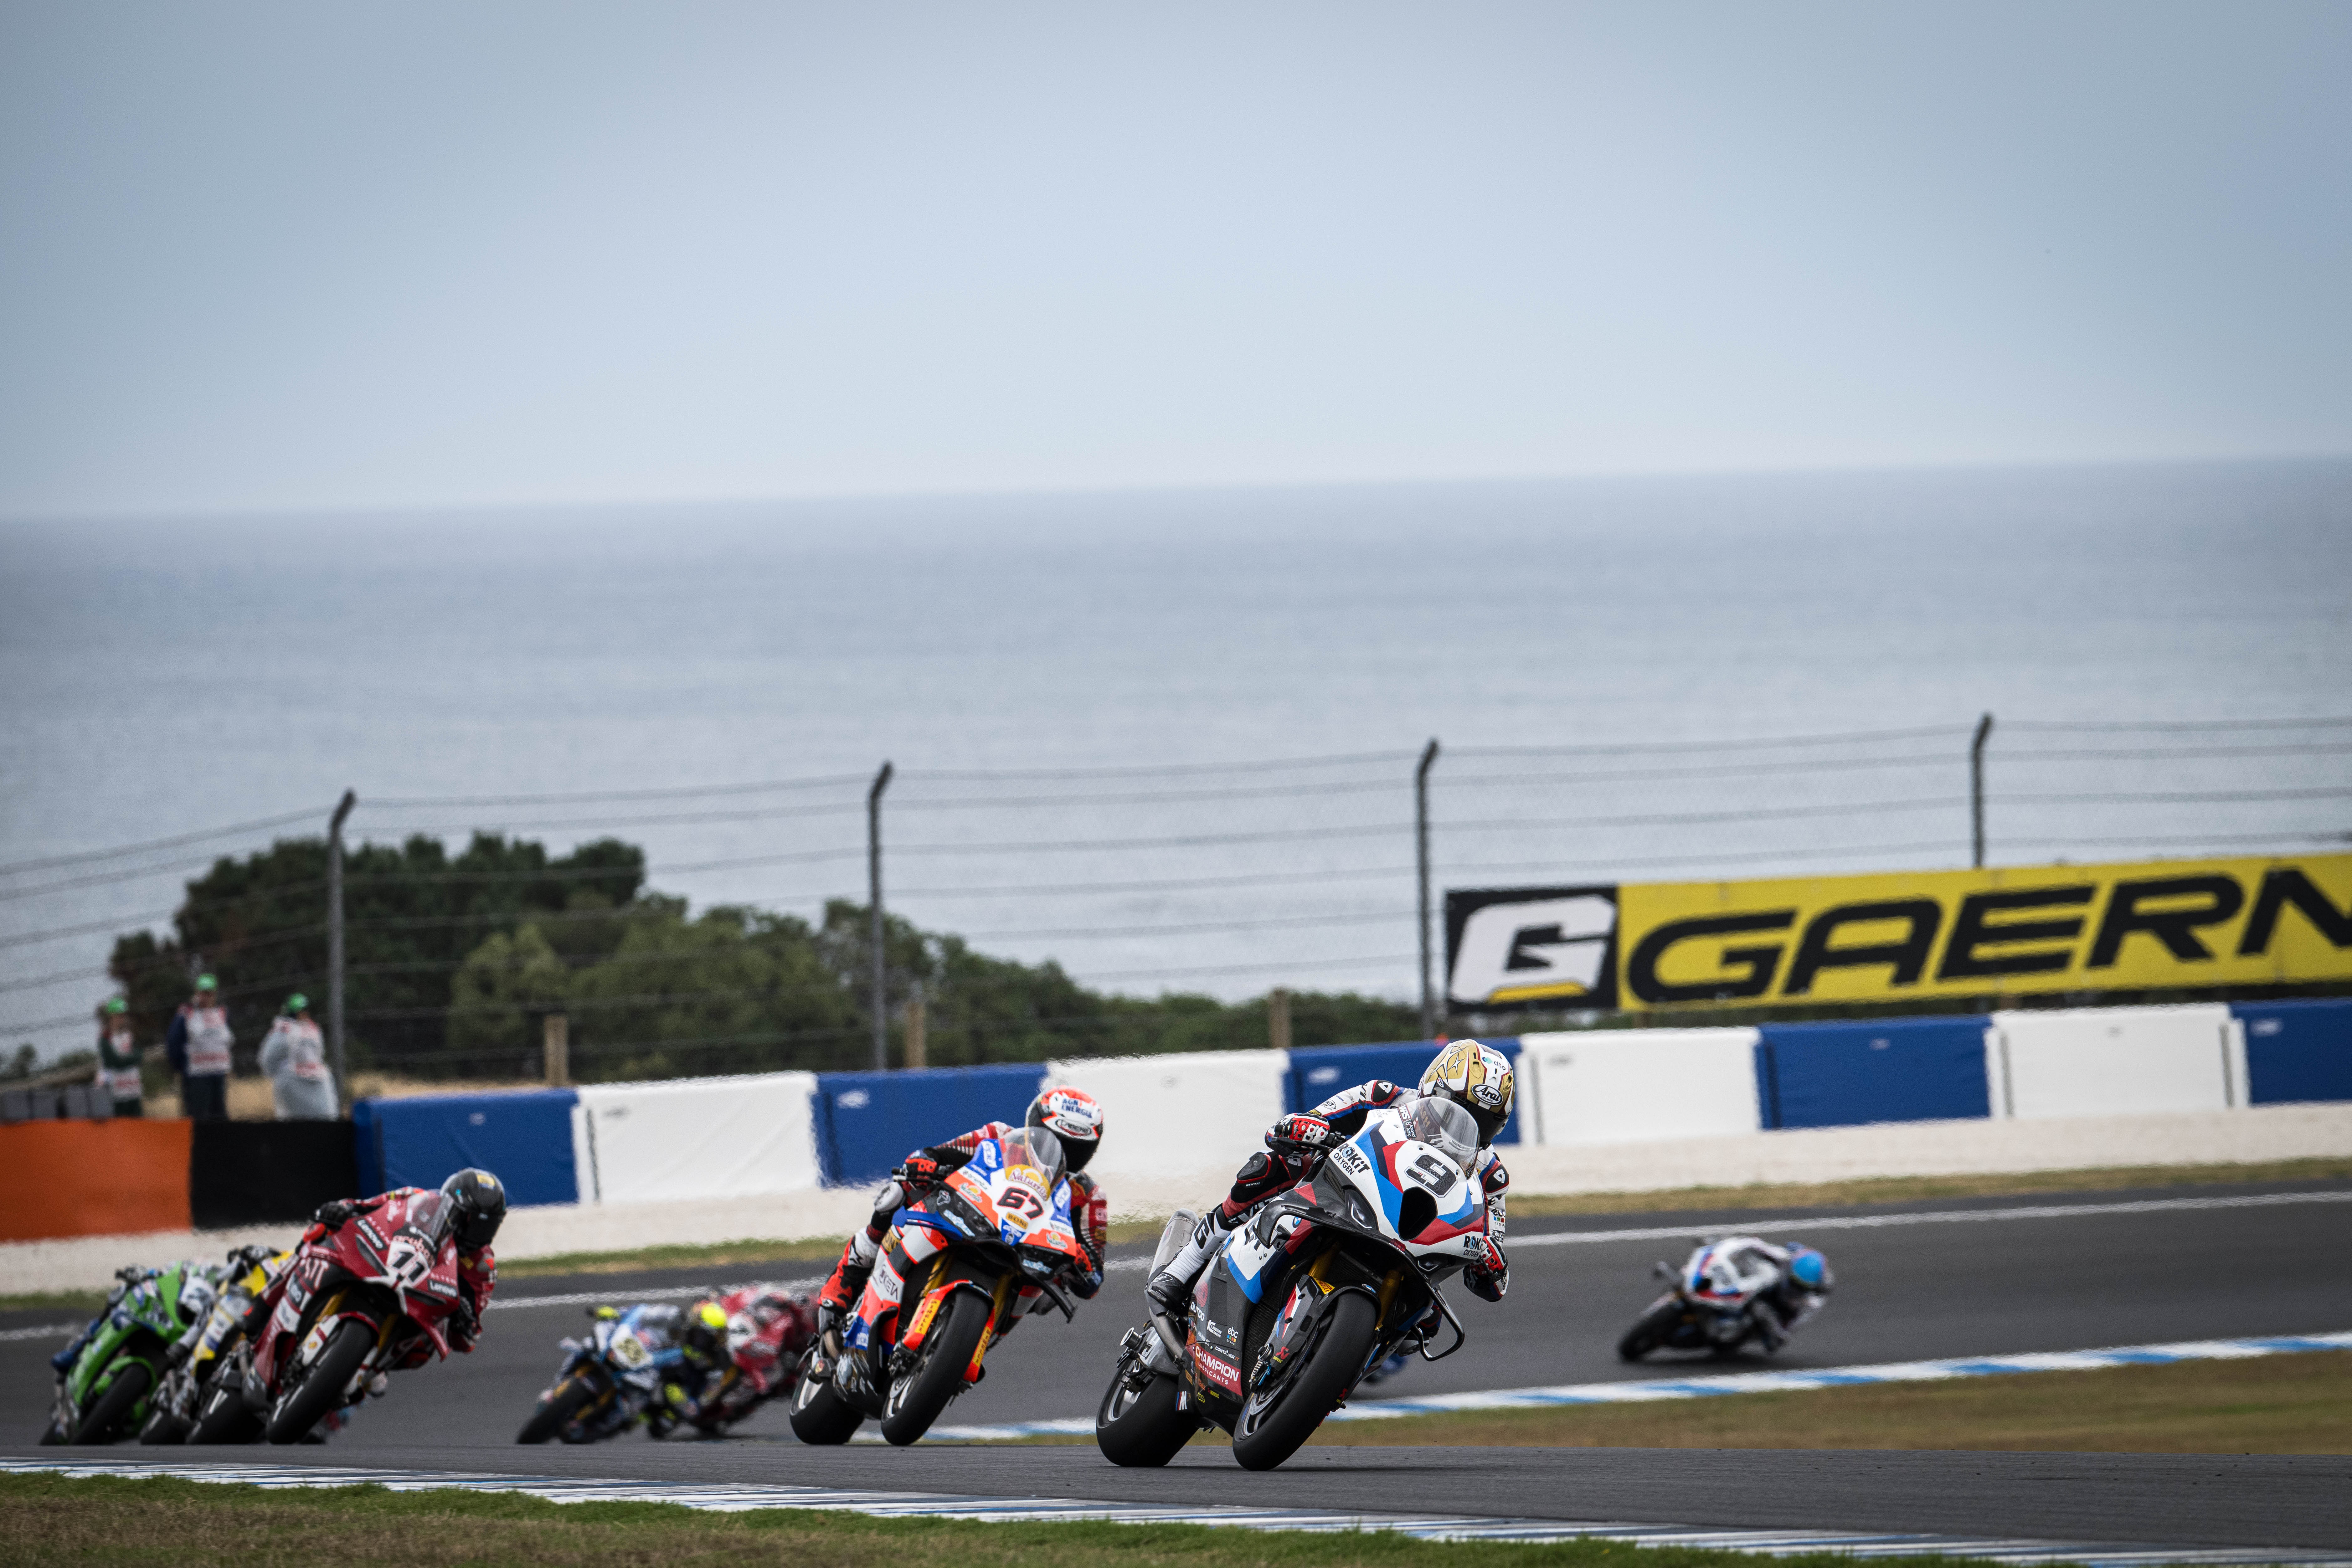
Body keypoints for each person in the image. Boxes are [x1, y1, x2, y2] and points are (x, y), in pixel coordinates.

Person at [1147, 1040, 1515, 1314]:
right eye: (1455, 1111)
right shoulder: (1381, 1097)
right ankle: (1185, 1265)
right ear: (1432, 1089)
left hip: (1413, 1246)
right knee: (1271, 1167)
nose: (1462, 1129)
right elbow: (1301, 1124)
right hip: (1344, 1197)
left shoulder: (1491, 1175)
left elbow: (1495, 1277)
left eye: (1482, 1123)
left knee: (1428, 1318)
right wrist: (1305, 1128)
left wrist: (1489, 1259)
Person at [815, 1086, 1109, 1340]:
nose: (1062, 1154)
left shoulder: (1089, 1196)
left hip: (1026, 1260)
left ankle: (972, 1339)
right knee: (900, 1190)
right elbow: (935, 1154)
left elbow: (1094, 1277)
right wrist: (925, 1163)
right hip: (968, 1216)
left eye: (1075, 1150)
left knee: (1049, 1296)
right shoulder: (1000, 1136)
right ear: (1034, 1126)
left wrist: (1079, 1259)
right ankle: (846, 1278)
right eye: (1054, 1140)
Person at [298, 1169, 506, 1351]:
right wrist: (341, 1210)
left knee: (423, 1347)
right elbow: (362, 1207)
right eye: (469, 1221)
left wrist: (464, 1322)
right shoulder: (415, 1198)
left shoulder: (483, 1266)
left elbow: (467, 1340)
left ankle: (371, 1370)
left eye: (485, 1227)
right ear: (448, 1207)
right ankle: (290, 1278)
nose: (474, 1234)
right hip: (380, 1263)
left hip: (418, 1307)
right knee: (326, 1232)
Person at [164, 975, 233, 1122]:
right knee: (198, 1116)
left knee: (219, 1115)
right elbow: (174, 1041)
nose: (206, 997)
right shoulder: (187, 1013)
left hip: (218, 1075)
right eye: (203, 993)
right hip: (196, 1077)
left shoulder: (221, 1013)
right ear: (197, 993)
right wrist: (181, 1067)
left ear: (214, 994)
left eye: (209, 993)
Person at [258, 993, 336, 1120]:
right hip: (307, 1084)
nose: (305, 1014)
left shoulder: (287, 1029)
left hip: (310, 1084)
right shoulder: (302, 1030)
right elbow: (269, 1059)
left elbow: (268, 1061)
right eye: (302, 1011)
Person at [94, 998, 144, 1118]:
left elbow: (140, 1055)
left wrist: (128, 1059)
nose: (124, 1019)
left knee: (138, 1125)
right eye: (120, 1016)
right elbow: (115, 1062)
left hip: (134, 1091)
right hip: (116, 1095)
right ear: (112, 1017)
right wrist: (131, 1059)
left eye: (125, 1015)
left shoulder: (130, 1034)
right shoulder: (105, 1039)